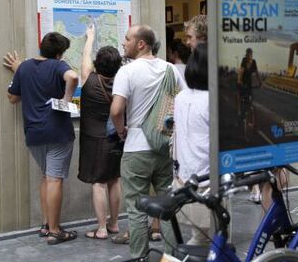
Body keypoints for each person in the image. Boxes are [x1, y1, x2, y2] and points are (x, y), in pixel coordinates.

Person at [110, 24, 185, 258]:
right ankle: (172, 257)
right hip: (163, 147)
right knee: (167, 207)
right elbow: (181, 103)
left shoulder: (127, 71)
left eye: (127, 39)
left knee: (136, 209)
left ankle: (139, 257)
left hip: (135, 149)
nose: (124, 43)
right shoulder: (171, 69)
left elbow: (116, 110)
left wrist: (121, 130)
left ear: (141, 43)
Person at [3, 32, 78, 245]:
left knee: (46, 177)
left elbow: (12, 97)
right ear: (59, 53)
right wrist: (66, 98)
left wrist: (22, 75)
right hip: (57, 131)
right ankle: (55, 230)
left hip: (33, 133)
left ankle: (46, 225)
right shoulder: (58, 66)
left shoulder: (24, 67)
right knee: (54, 179)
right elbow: (72, 77)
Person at [78, 24, 123, 240]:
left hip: (93, 139)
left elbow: (85, 56)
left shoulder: (89, 79)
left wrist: (90, 37)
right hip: (115, 137)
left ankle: (102, 228)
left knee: (98, 183)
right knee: (114, 179)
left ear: (98, 64)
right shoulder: (122, 84)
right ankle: (114, 224)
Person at [173, 43, 210, 245]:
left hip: (185, 178)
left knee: (199, 237)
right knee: (212, 242)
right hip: (208, 181)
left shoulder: (181, 97)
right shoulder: (213, 100)